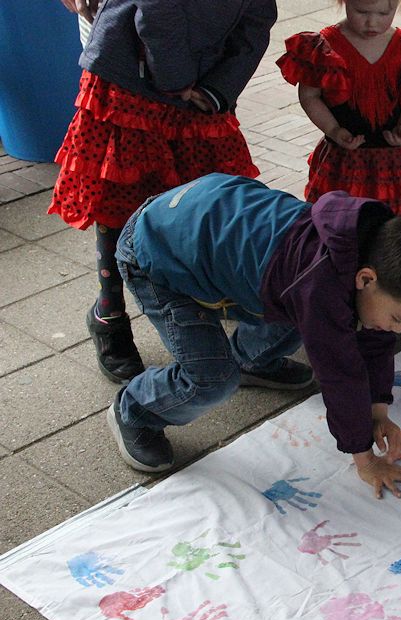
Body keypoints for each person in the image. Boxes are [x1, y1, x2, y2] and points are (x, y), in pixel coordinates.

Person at [109, 173, 401, 499]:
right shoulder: (319, 284)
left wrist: (377, 408)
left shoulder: (367, 248)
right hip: (156, 253)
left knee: (317, 313)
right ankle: (135, 410)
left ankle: (250, 361)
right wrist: (365, 459)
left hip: (206, 226)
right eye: (398, 319)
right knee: (213, 379)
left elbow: (375, 340)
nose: (398, 330)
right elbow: (340, 374)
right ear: (366, 279)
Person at [47, 0, 278, 385]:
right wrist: (177, 80)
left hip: (196, 85)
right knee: (121, 202)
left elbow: (258, 17)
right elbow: (157, 10)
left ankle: (194, 308)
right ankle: (109, 313)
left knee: (197, 200)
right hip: (130, 78)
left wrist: (219, 88)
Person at [276, 0, 401, 218]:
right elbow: (310, 95)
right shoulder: (324, 47)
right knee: (338, 221)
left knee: (393, 225)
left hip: (393, 160)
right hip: (343, 158)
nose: (372, 22)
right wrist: (333, 130)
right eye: (361, 12)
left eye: (384, 13)